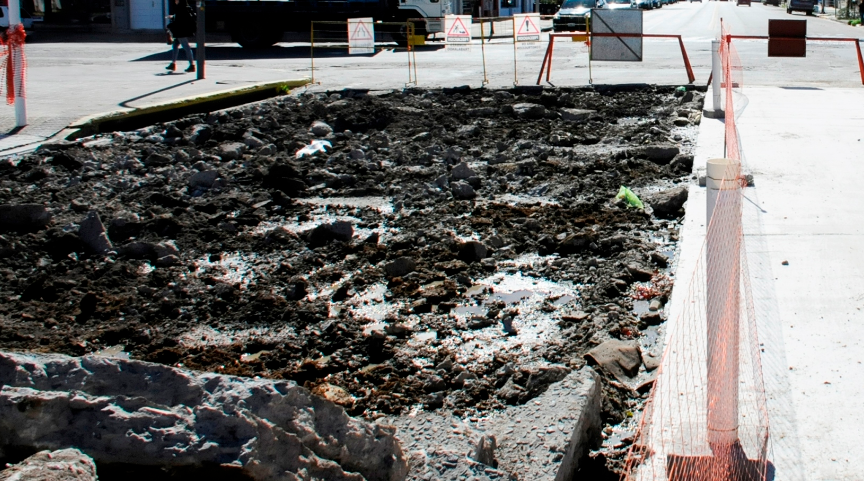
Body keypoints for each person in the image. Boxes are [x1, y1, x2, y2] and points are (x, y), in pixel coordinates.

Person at [166, 0, 196, 73]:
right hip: (180, 30)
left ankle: (192, 65)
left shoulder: (181, 8)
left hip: (180, 31)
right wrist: (173, 17)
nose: (175, 1)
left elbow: (179, 19)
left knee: (186, 46)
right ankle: (173, 63)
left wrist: (172, 18)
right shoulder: (184, 7)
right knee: (175, 45)